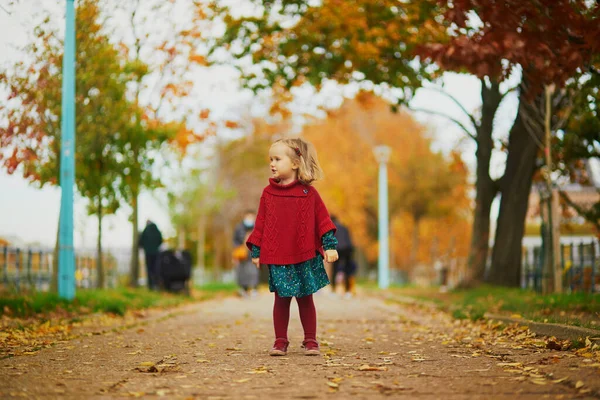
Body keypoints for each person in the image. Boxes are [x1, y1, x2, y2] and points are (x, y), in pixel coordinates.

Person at [246, 137, 339, 357]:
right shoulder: (268, 194)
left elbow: (323, 221)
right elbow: (261, 223)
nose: (272, 164)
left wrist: (330, 245)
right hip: (278, 255)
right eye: (271, 159)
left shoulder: (309, 194)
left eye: (278, 159)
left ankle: (310, 340)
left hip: (304, 253)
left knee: (306, 298)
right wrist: (257, 250)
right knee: (281, 298)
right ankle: (280, 341)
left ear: (295, 163)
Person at [233, 210, 259, 297]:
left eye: (251, 217)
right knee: (242, 271)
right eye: (248, 217)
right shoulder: (239, 227)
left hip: (254, 252)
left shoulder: (257, 227)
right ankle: (244, 289)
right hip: (242, 253)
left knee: (254, 271)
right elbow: (235, 241)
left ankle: (254, 289)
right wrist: (236, 250)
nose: (249, 219)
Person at [330, 215, 355, 298]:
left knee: (334, 269)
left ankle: (333, 291)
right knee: (347, 270)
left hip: (337, 249)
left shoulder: (332, 228)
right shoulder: (344, 227)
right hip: (348, 249)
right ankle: (348, 291)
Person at [139, 220, 163, 290]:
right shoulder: (156, 230)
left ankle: (150, 286)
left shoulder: (145, 230)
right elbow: (160, 240)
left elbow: (141, 241)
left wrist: (146, 247)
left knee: (149, 269)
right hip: (156, 253)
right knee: (156, 269)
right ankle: (156, 284)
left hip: (148, 253)